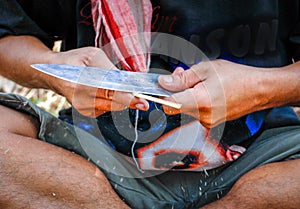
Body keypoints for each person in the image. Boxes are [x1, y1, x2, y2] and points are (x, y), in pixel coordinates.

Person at [0, 0, 299, 208]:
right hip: (93, 163)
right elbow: (8, 36)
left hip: (261, 156)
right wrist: (57, 67)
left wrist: (260, 89)